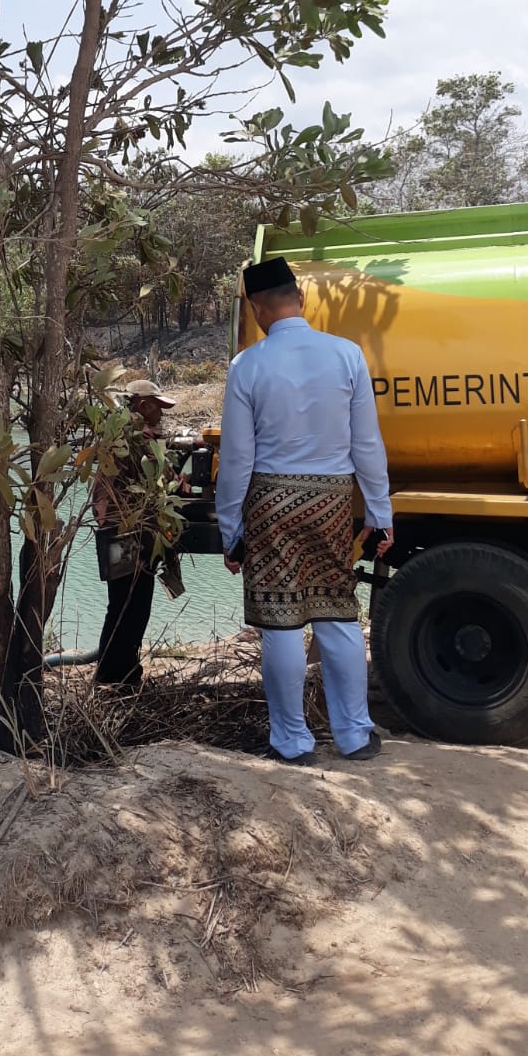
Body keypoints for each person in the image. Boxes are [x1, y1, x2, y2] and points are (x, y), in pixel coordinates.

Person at [215, 257, 394, 764]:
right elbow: (367, 445)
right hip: (333, 502)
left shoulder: (247, 365)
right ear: (301, 298)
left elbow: (237, 461)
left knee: (281, 622)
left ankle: (293, 742)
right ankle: (356, 735)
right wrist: (379, 512)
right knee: (336, 615)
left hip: (271, 505)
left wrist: (232, 530)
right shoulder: (347, 355)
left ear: (256, 308)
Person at [93, 379, 186, 688]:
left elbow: (158, 478)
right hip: (122, 531)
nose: (162, 414)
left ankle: (125, 669)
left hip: (138, 531)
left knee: (137, 601)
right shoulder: (127, 438)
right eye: (158, 407)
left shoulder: (139, 438)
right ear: (143, 406)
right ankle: (110, 674)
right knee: (124, 602)